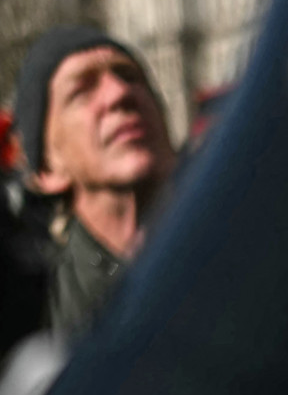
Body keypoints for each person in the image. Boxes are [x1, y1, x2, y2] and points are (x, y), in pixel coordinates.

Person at [11, 25, 177, 336]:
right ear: (47, 169)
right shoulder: (36, 312)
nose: (120, 93)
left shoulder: (251, 238)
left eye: (130, 76)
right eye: (82, 91)